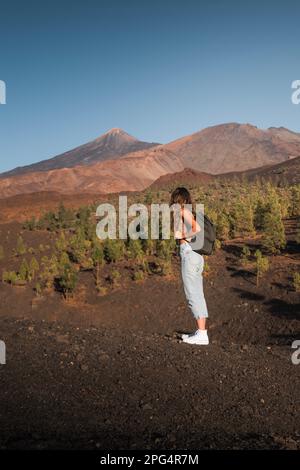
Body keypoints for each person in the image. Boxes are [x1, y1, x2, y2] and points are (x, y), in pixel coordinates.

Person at [170, 187, 209, 345]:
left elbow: (196, 229)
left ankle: (202, 335)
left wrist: (182, 236)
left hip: (189, 254)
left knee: (192, 294)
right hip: (196, 256)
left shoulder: (183, 211)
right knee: (197, 294)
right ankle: (200, 331)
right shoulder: (188, 211)